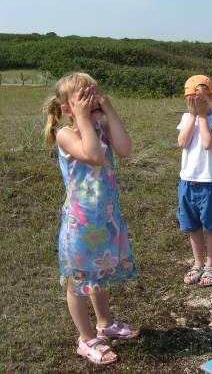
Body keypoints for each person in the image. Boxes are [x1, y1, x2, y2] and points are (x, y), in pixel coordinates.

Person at [44, 72, 139, 365]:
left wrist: (108, 110)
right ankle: (86, 339)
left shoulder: (102, 125)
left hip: (106, 218)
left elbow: (125, 150)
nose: (91, 101)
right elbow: (94, 156)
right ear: (67, 108)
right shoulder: (65, 134)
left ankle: (105, 322)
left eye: (94, 93)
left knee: (101, 274)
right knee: (79, 282)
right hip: (81, 226)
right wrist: (85, 119)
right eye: (83, 97)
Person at [177, 75, 212, 287]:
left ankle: (211, 265)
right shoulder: (186, 118)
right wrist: (193, 116)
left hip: (211, 183)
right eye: (191, 99)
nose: (196, 103)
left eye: (201, 98)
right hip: (187, 182)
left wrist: (202, 116)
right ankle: (198, 263)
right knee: (192, 226)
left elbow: (208, 143)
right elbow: (183, 142)